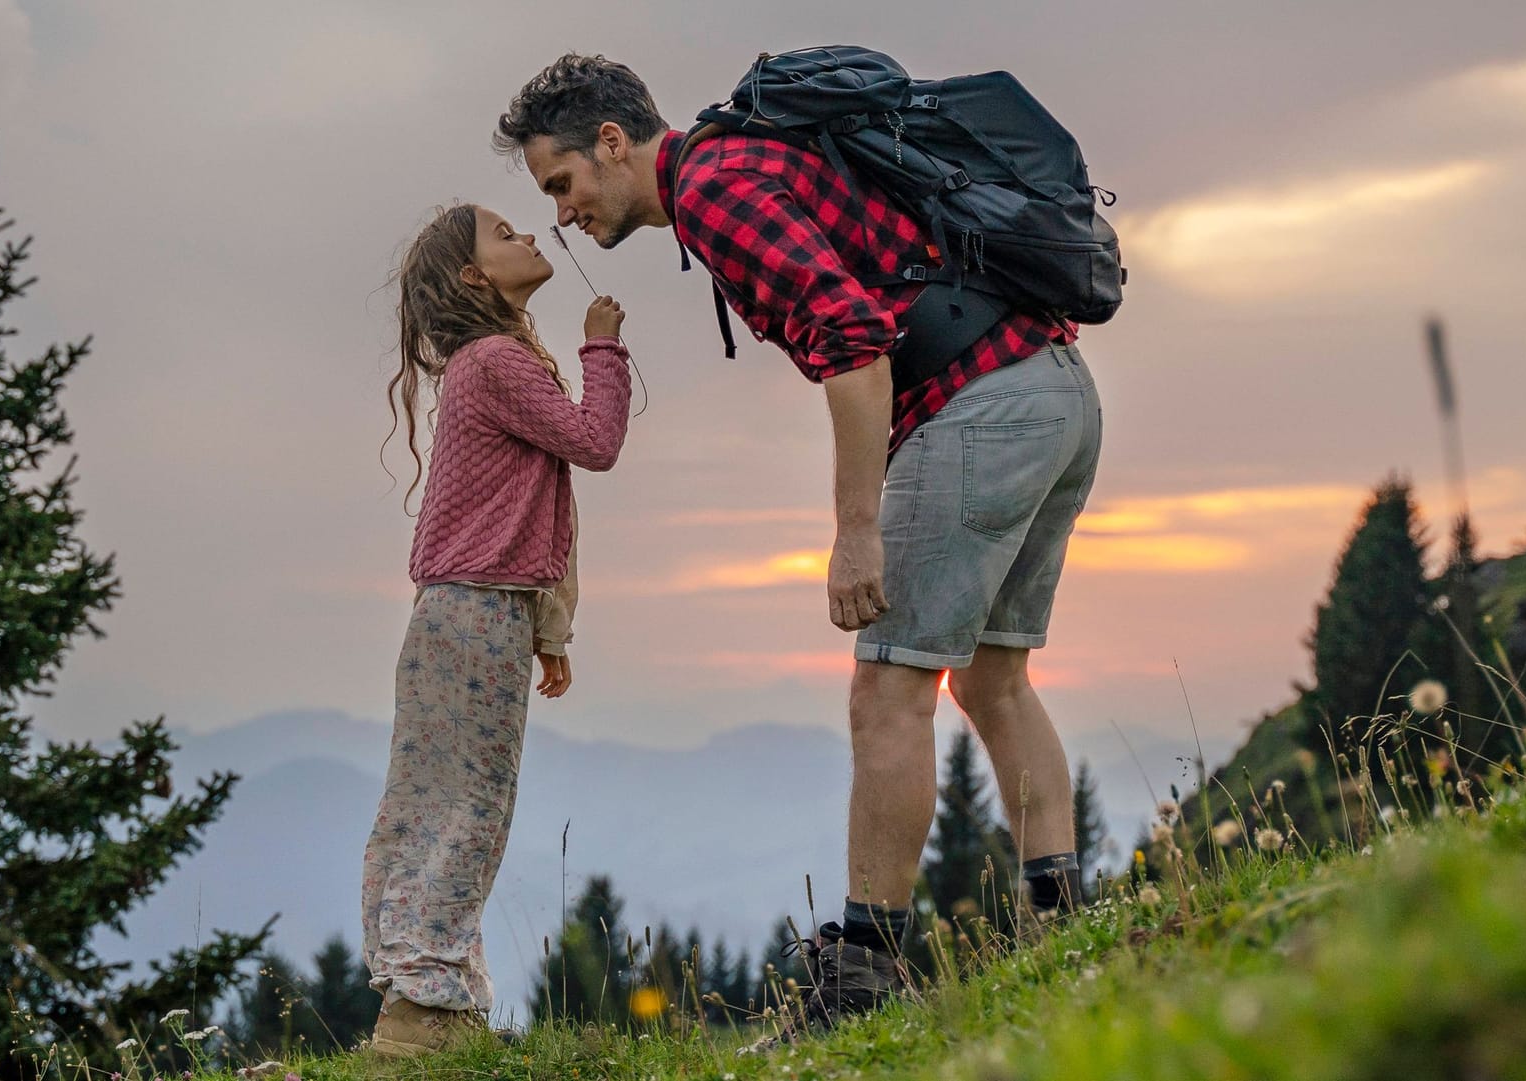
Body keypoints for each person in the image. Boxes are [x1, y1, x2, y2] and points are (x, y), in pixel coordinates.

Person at [495, 54, 1102, 1038]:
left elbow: (854, 345)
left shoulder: (717, 187)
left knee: (889, 691)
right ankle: (1064, 925)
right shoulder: (750, 157)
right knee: (994, 680)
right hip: (1056, 388)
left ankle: (861, 975)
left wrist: (857, 531)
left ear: (613, 143)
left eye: (561, 183)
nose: (564, 213)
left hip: (983, 407)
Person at [362, 201, 632, 1054]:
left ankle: (433, 1006)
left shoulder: (489, 363)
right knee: (468, 805)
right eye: (504, 234)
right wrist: (603, 346)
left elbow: (535, 500)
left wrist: (549, 626)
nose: (526, 236)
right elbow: (595, 443)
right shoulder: (495, 361)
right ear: (476, 277)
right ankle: (422, 1009)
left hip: (469, 608)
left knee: (436, 801)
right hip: (476, 609)